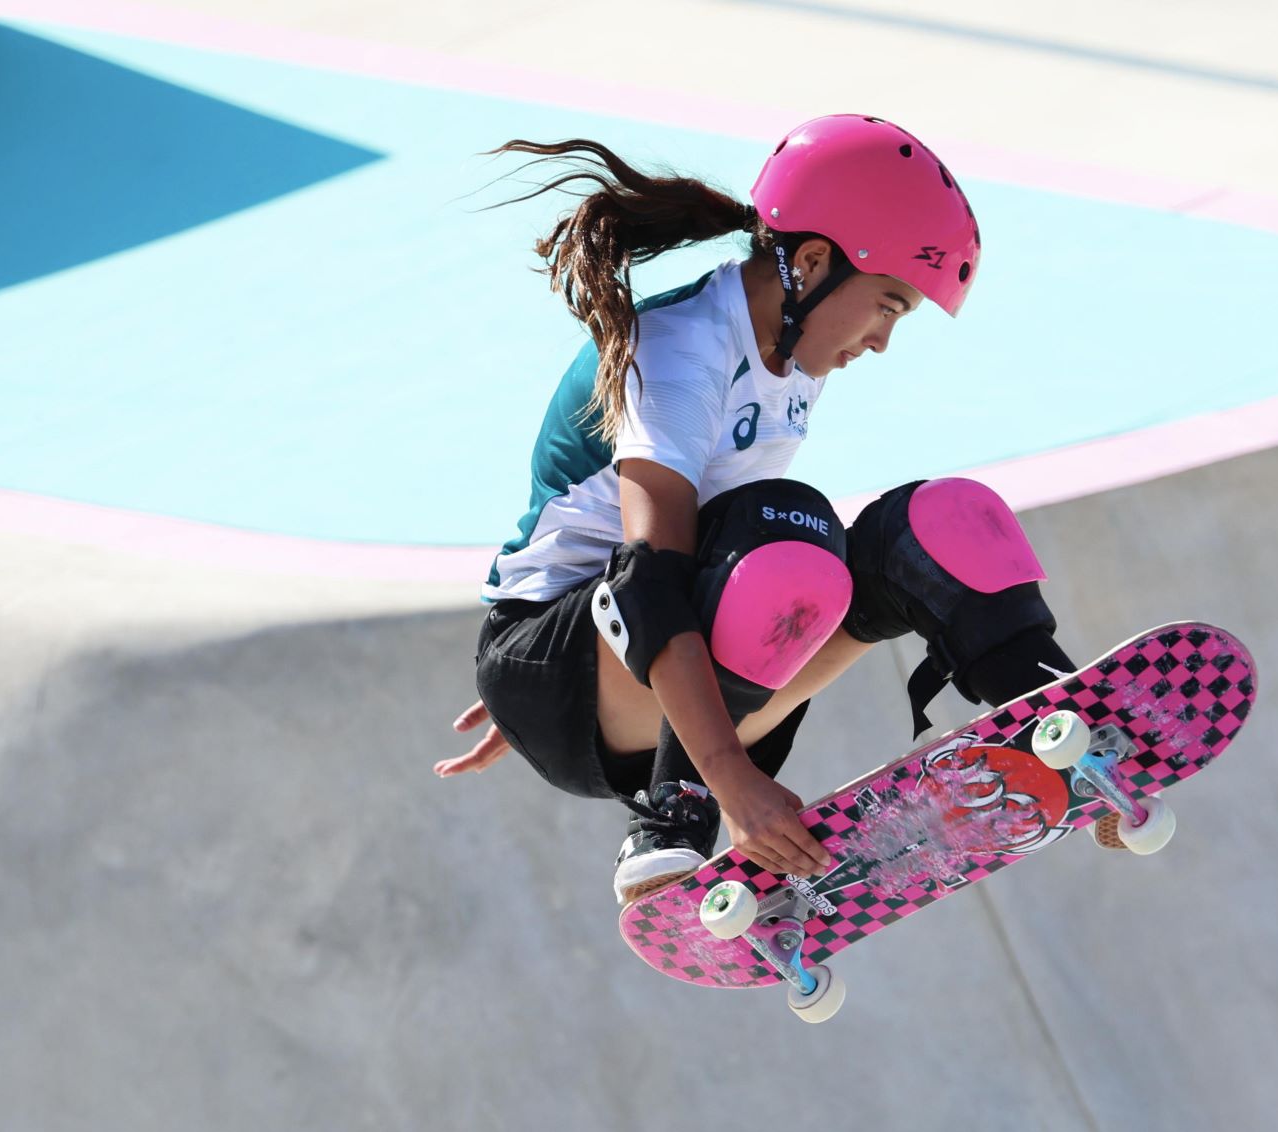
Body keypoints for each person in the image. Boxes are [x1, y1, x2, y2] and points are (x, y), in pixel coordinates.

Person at [435, 114, 1083, 907]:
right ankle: (677, 816)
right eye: (886, 305)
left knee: (938, 521)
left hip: (625, 670)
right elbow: (649, 577)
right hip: (560, 670)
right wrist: (730, 778)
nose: (881, 340)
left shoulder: (792, 353)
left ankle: (1067, 730)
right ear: (811, 262)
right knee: (784, 532)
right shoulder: (681, 350)